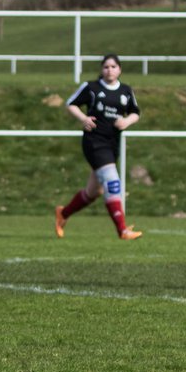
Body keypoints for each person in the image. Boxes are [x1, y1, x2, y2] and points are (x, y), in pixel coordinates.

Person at [54, 54, 143, 241]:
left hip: (112, 144)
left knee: (94, 191)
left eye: (113, 66)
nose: (109, 70)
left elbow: (135, 112)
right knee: (112, 181)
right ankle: (122, 230)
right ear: (101, 70)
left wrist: (126, 121)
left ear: (120, 69)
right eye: (106, 67)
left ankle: (63, 213)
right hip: (94, 141)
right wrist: (83, 119)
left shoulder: (126, 91)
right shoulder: (91, 87)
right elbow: (71, 104)